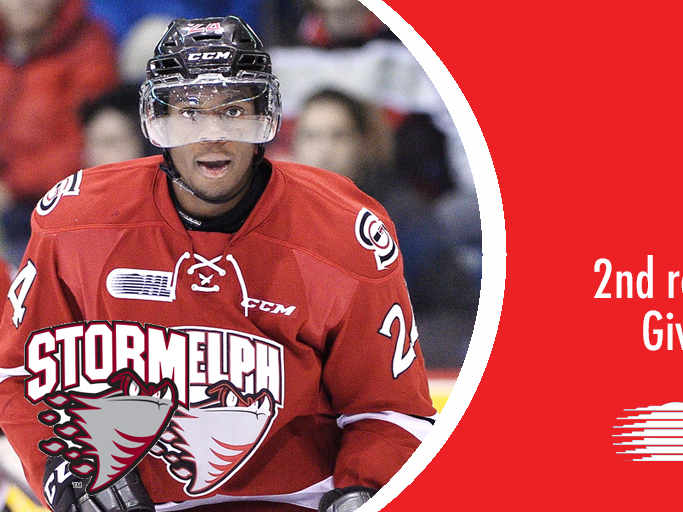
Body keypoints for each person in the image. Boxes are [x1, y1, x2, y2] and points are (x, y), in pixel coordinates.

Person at [0, 16, 434, 512]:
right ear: (157, 121)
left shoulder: (343, 232)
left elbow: (389, 410)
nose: (212, 135)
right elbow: (20, 372)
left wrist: (367, 490)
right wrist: (62, 468)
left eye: (233, 111)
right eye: (189, 112)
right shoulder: (76, 223)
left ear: (266, 117)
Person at [0, 0, 118, 265]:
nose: (24, 3)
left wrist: (13, 185)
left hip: (51, 205)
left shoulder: (87, 46)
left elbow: (87, 145)